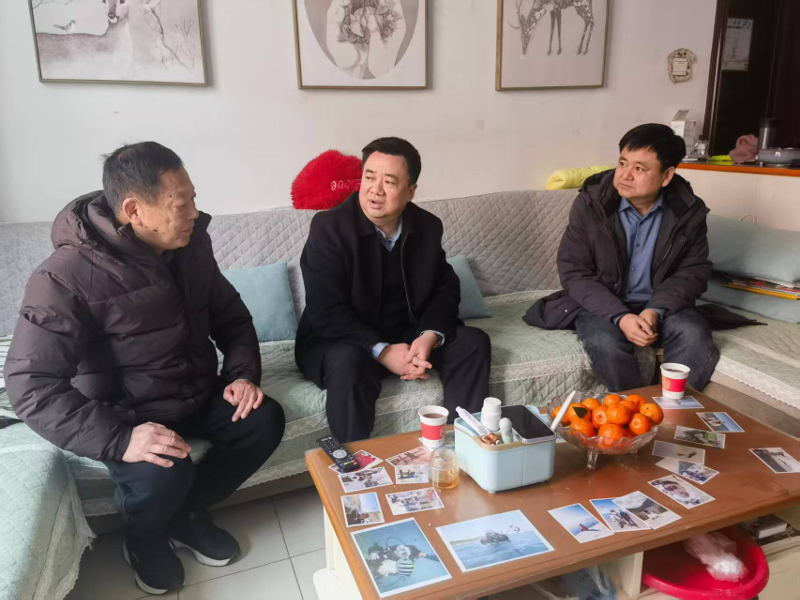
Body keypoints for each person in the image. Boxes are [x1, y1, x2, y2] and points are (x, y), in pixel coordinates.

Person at [3, 142, 286, 596]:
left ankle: (186, 514)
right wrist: (120, 439)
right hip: (127, 413)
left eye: (193, 198)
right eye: (181, 203)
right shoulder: (64, 275)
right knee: (163, 470)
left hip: (197, 390)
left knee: (263, 419)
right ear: (135, 210)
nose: (194, 213)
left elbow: (231, 316)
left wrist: (241, 375)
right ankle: (143, 538)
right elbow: (30, 384)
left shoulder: (191, 244)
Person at [295, 136, 491, 442]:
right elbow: (326, 310)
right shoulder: (329, 228)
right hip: (344, 339)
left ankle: (465, 444)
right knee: (348, 364)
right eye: (369, 177)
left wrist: (428, 336)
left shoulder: (426, 226)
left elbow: (445, 287)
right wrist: (383, 351)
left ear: (411, 191)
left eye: (389, 182)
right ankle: (355, 459)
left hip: (407, 334)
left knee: (473, 342)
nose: (375, 189)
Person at [524, 123, 719, 392]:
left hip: (662, 303)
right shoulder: (591, 204)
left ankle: (674, 408)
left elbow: (692, 272)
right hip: (604, 302)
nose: (625, 175)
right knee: (605, 343)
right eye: (622, 163)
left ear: (666, 176)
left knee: (693, 334)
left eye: (639, 169)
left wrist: (655, 310)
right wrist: (620, 316)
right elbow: (575, 271)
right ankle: (633, 409)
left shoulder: (688, 212)